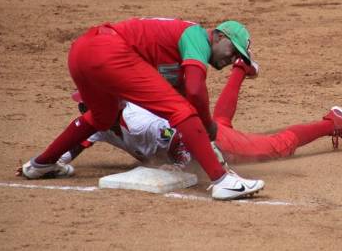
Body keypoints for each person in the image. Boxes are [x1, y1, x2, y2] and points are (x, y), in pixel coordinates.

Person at [20, 17, 264, 200]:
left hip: (81, 52)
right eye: (233, 51)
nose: (231, 59)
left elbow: (183, 94)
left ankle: (41, 164)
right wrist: (208, 125)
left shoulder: (176, 55)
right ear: (219, 36)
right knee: (181, 110)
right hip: (109, 49)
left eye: (237, 58)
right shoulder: (196, 36)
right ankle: (222, 182)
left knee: (103, 117)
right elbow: (195, 90)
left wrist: (201, 134)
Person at [46, 58, 342, 174]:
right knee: (222, 122)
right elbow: (73, 144)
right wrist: (50, 162)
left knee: (274, 147)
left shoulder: (141, 119)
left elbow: (181, 143)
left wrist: (184, 166)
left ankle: (333, 122)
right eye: (82, 105)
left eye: (87, 105)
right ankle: (241, 68)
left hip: (195, 135)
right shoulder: (101, 124)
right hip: (191, 124)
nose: (84, 110)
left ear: (111, 103)